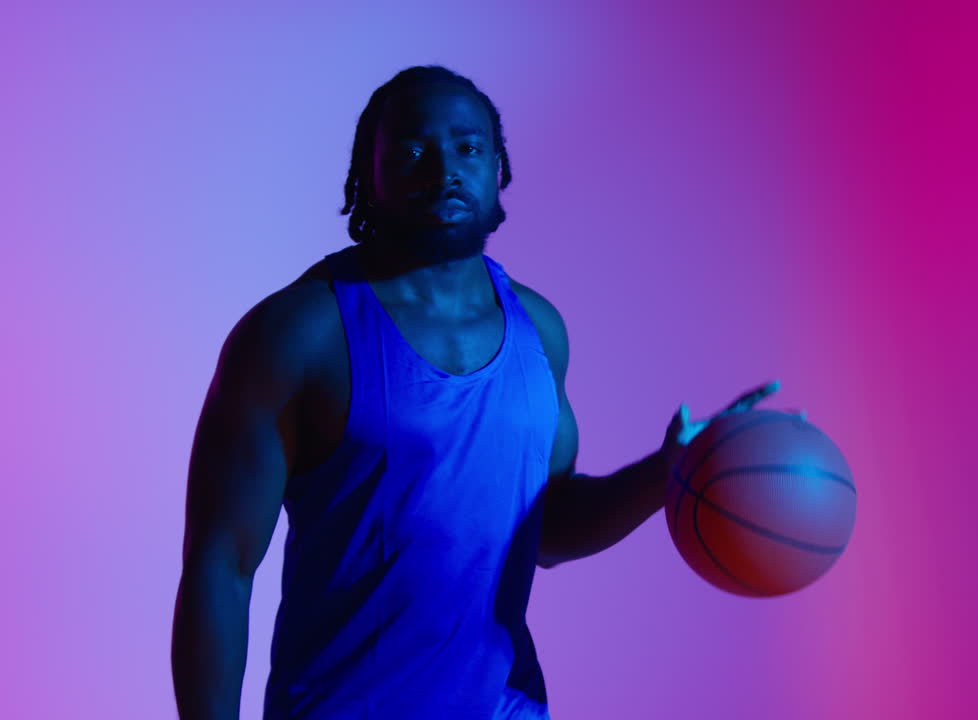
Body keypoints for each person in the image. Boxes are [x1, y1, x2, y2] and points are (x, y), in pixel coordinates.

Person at [170, 65, 785, 719]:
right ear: (366, 174)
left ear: (499, 169)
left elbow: (543, 531)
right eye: (412, 148)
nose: (444, 168)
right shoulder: (298, 334)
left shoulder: (539, 331)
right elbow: (222, 565)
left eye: (468, 147)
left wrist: (667, 474)